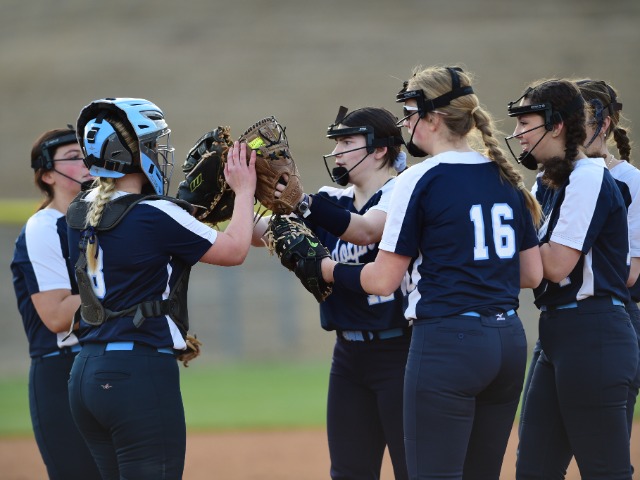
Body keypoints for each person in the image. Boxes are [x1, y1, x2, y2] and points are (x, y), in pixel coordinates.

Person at [316, 65, 543, 479]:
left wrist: (328, 269)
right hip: (509, 340)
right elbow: (531, 274)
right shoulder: (504, 176)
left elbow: (382, 280)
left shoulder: (418, 178)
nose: (405, 124)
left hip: (449, 341)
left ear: (434, 118)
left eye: (410, 112)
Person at [65, 97, 256, 479]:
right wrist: (244, 189)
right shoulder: (155, 212)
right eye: (151, 144)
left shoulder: (80, 209)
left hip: (85, 370)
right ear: (129, 154)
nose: (158, 152)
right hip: (136, 373)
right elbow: (235, 250)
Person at [254, 106, 411, 479]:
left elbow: (367, 230)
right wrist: (239, 195)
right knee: (348, 472)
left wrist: (303, 204)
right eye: (336, 143)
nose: (336, 152)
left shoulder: (402, 192)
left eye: (346, 142)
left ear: (379, 149)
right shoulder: (330, 200)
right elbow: (259, 233)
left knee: (414, 470)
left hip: (400, 354)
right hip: (348, 356)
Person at [506, 79, 638, 479]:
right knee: (535, 469)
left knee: (604, 470)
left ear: (557, 124)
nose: (517, 133)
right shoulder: (547, 181)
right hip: (557, 331)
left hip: (594, 331)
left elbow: (555, 265)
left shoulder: (589, 176)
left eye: (525, 122)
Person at [10, 128, 101, 479]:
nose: (86, 163)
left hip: (110, 363)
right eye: (74, 157)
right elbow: (57, 316)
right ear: (47, 175)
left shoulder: (107, 221)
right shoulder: (44, 227)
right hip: (61, 368)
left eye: (87, 155)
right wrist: (130, 291)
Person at [577, 78, 640, 460]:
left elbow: (629, 272)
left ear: (604, 124)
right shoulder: (556, 178)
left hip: (613, 317)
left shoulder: (629, 180)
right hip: (562, 320)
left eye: (578, 119)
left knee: (606, 454)